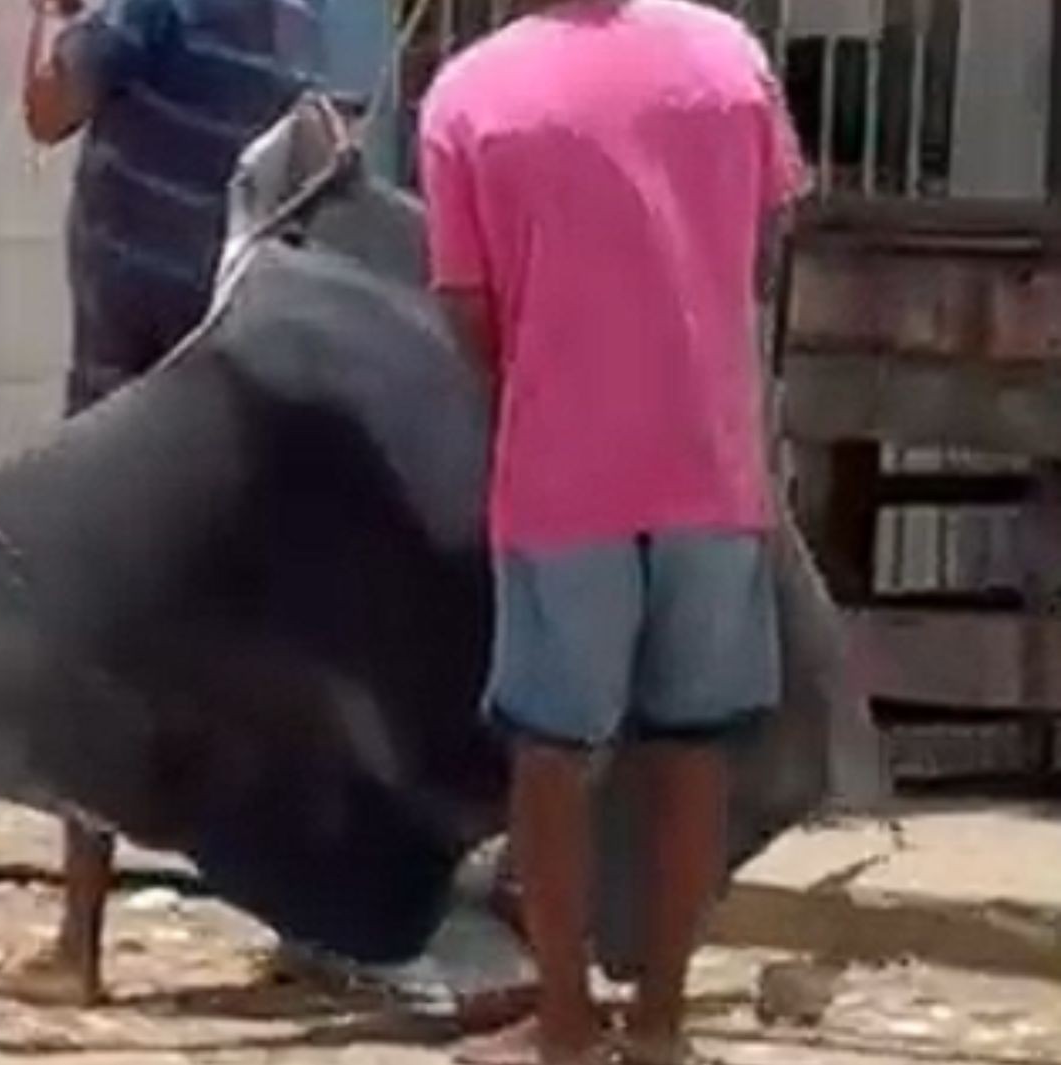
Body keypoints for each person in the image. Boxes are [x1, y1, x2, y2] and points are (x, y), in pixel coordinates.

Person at [418, 1, 807, 1062]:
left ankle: (563, 1024)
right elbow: (764, 248)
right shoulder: (729, 59)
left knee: (552, 754)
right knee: (691, 750)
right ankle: (663, 1023)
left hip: (559, 477)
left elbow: (465, 311)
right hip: (710, 468)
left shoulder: (469, 95)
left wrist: (536, 382)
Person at [1, 0, 325, 1006]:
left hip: (133, 360)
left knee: (95, 636)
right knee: (254, 638)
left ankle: (77, 941)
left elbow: (47, 106)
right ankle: (305, 929)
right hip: (235, 345)